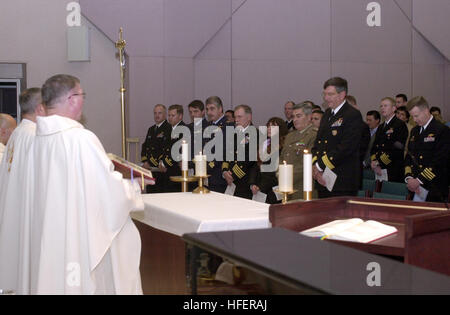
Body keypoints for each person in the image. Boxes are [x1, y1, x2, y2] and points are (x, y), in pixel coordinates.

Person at [25, 74, 144, 294]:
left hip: (51, 233)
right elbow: (107, 190)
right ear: (72, 98)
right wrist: (133, 186)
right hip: (77, 235)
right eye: (82, 95)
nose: (83, 101)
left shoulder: (38, 139)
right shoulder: (79, 139)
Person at [0, 88, 44, 294]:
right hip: (28, 213)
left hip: (13, 208)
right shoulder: (34, 136)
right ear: (40, 108)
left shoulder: (17, 133)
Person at [312, 77, 363, 198]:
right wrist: (316, 168)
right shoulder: (327, 115)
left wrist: (320, 165)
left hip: (342, 181)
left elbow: (346, 148)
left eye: (330, 94)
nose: (326, 98)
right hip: (323, 178)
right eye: (325, 94)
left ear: (342, 95)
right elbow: (318, 144)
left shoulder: (352, 115)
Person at [405, 96, 449, 203]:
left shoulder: (442, 130)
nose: (414, 120)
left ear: (426, 111)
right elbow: (409, 156)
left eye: (416, 116)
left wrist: (419, 180)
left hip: (434, 187)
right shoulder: (415, 131)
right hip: (415, 187)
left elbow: (440, 161)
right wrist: (409, 178)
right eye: (412, 117)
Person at [280, 103, 317, 200]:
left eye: (298, 116)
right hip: (286, 185)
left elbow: (307, 163)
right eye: (293, 116)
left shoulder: (314, 135)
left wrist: (287, 177)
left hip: (303, 186)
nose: (295, 119)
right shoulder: (290, 136)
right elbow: (282, 157)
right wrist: (280, 174)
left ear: (309, 117)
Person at [249, 117, 288, 204]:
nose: (269, 128)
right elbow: (256, 165)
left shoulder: (283, 146)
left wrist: (261, 186)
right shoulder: (265, 143)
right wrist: (253, 183)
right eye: (268, 126)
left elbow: (274, 171)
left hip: (273, 189)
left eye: (273, 126)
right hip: (259, 187)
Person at [222, 105, 258, 199]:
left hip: (245, 183)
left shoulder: (255, 134)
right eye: (235, 117)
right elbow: (226, 155)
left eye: (239, 117)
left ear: (249, 117)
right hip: (231, 182)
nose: (236, 120)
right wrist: (225, 171)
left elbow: (249, 160)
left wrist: (232, 175)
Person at [370, 97, 408, 182]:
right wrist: (374, 161)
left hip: (393, 169)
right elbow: (374, 147)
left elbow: (396, 150)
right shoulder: (380, 127)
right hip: (379, 168)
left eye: (385, 106)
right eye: (381, 106)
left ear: (394, 108)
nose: (382, 108)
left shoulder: (399, 125)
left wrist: (379, 163)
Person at [141, 104, 171, 193]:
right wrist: (145, 161)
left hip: (161, 169)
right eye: (155, 113)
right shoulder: (151, 129)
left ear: (165, 115)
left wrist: (161, 162)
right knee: (150, 194)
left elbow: (167, 147)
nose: (157, 115)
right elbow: (145, 146)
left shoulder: (168, 128)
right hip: (150, 169)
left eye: (160, 113)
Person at [204, 96, 229, 193]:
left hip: (219, 175)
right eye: (207, 109)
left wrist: (207, 167)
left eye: (212, 109)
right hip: (207, 175)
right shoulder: (208, 126)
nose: (209, 112)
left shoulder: (227, 126)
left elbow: (222, 151)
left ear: (220, 109)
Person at [159, 104, 186, 192]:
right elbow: (163, 148)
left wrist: (166, 163)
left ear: (180, 116)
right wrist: (161, 162)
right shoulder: (167, 129)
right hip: (166, 170)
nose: (170, 118)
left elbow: (179, 151)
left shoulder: (184, 129)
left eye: (173, 115)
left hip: (176, 169)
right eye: (169, 115)